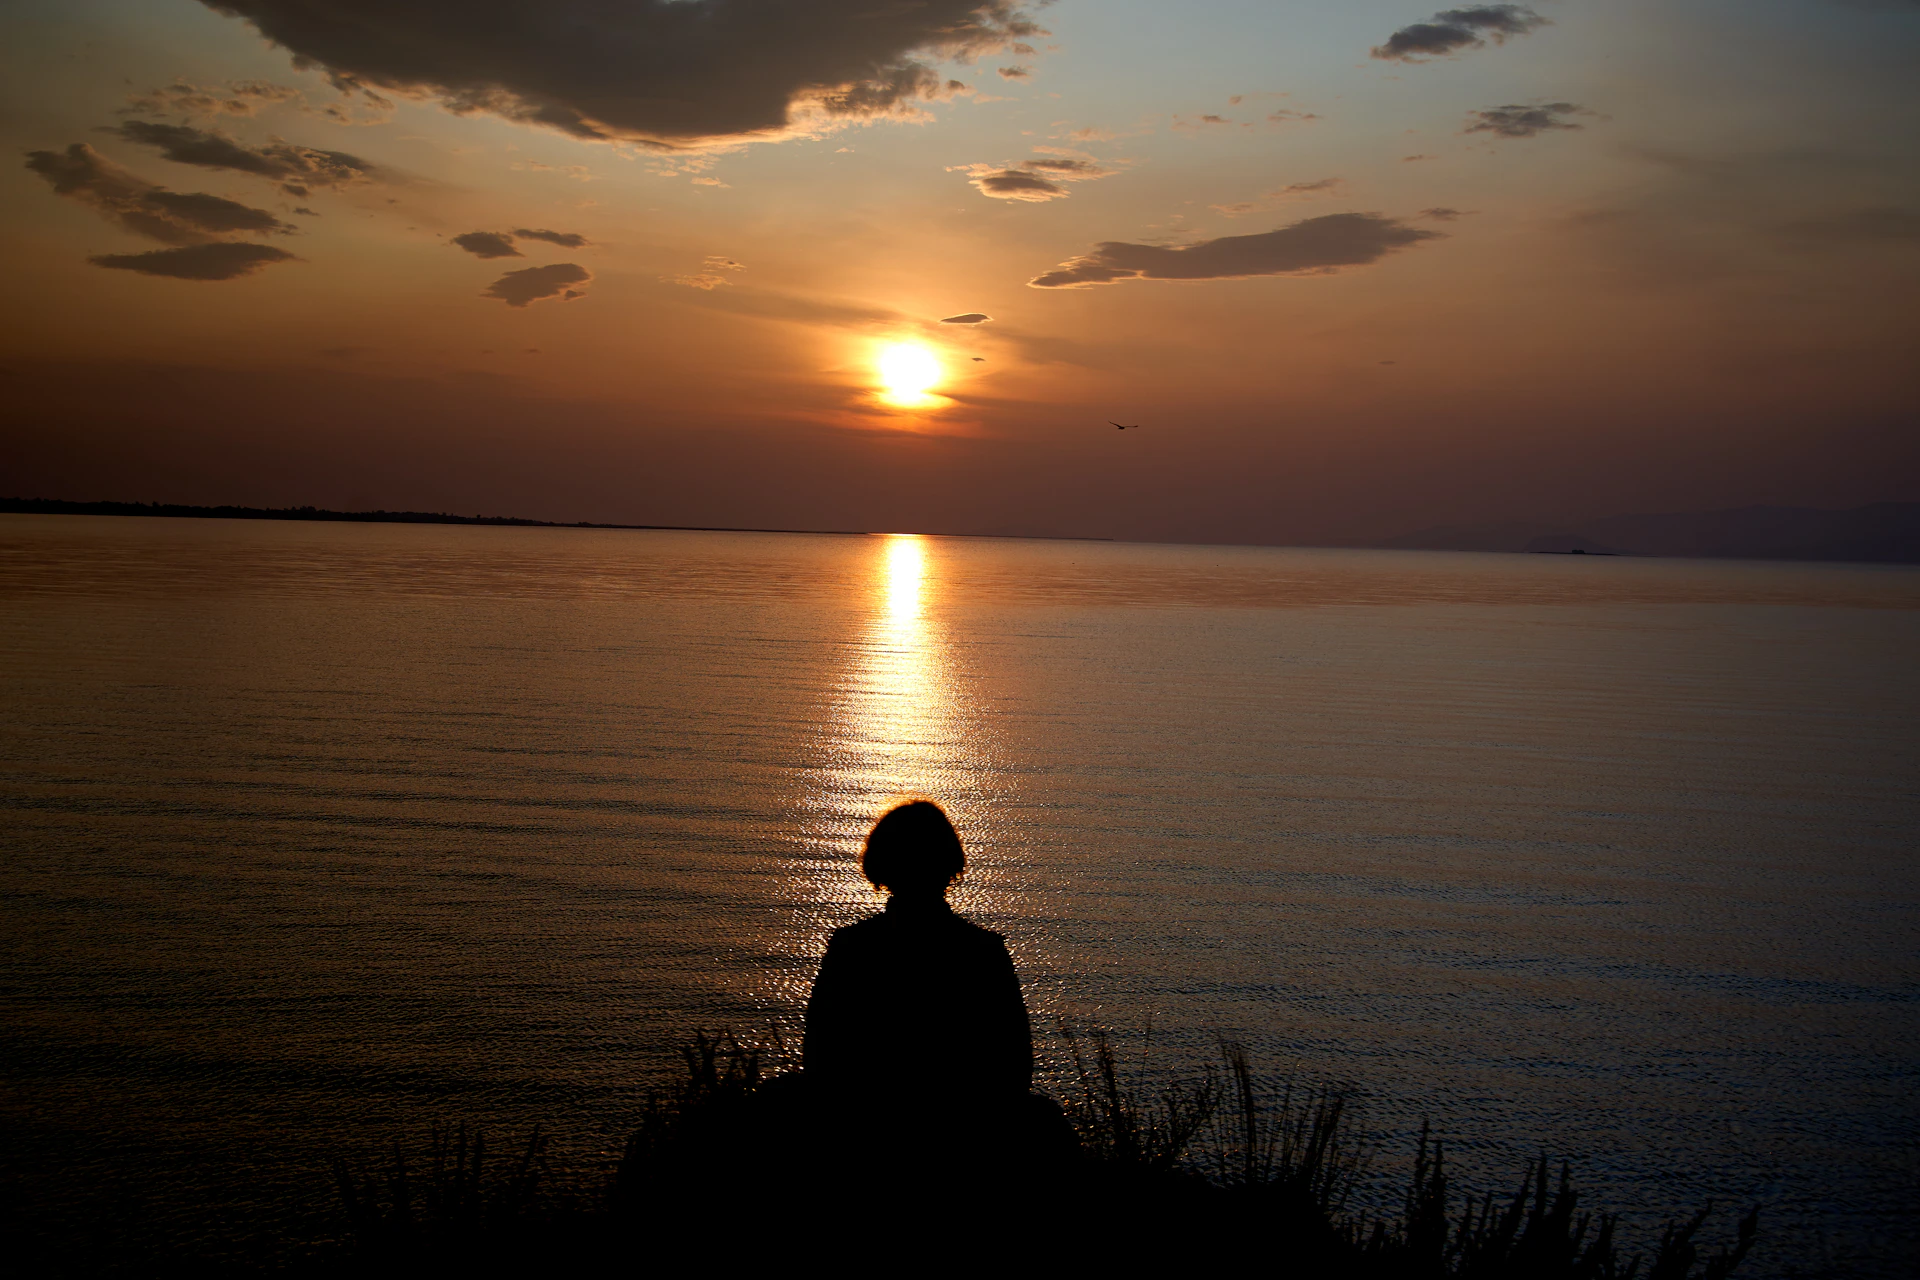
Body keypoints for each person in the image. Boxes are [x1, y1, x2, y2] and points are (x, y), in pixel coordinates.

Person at [803, 800, 1034, 1117]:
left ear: (881, 865)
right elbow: (1015, 1061)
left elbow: (819, 1054)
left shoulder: (851, 947)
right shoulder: (984, 951)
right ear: (949, 863)